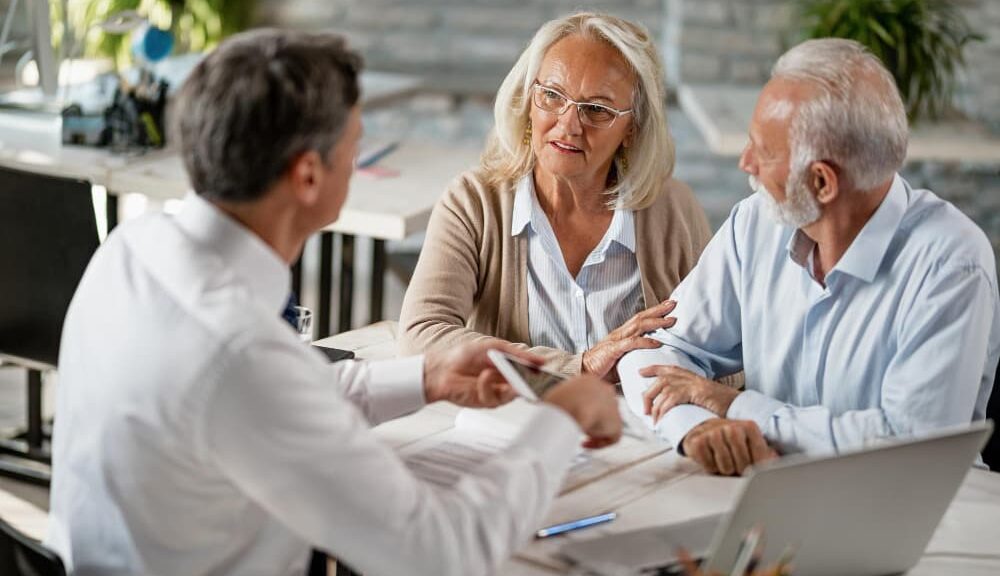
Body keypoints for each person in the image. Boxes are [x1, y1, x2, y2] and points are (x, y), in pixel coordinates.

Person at [46, 29, 624, 576]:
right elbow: (441, 554)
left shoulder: (129, 252)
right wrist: (560, 421)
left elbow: (272, 402)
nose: (359, 158)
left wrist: (426, 376)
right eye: (355, 144)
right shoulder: (241, 350)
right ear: (307, 176)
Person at [618, 38, 1000, 476]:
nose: (746, 163)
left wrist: (740, 407)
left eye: (762, 151)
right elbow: (653, 349)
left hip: (919, 516)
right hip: (770, 493)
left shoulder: (951, 263)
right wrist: (696, 427)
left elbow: (910, 446)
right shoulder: (755, 223)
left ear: (822, 183)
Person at [399, 12, 713, 379]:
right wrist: (579, 367)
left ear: (633, 127)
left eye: (597, 109)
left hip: (638, 430)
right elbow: (420, 337)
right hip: (515, 424)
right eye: (551, 95)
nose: (568, 125)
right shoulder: (474, 202)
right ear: (528, 100)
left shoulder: (674, 210)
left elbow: (726, 356)